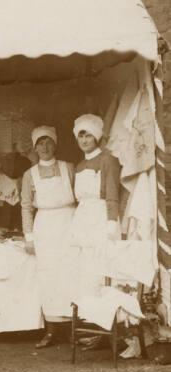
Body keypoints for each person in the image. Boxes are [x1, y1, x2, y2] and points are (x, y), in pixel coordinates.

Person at [21, 126, 76, 348]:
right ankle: (51, 331)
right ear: (34, 148)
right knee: (48, 277)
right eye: (40, 143)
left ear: (55, 144)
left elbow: (80, 198)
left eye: (48, 142)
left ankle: (73, 330)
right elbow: (26, 207)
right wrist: (29, 237)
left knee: (71, 274)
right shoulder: (29, 175)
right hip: (45, 227)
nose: (44, 147)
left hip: (69, 224)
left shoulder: (68, 168)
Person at [68, 113, 121, 308]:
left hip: (102, 219)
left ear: (96, 137)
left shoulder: (108, 160)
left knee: (101, 269)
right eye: (80, 136)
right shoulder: (79, 166)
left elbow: (112, 195)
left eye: (88, 135)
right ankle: (88, 320)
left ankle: (105, 324)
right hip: (83, 220)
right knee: (85, 270)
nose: (84, 140)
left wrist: (110, 226)